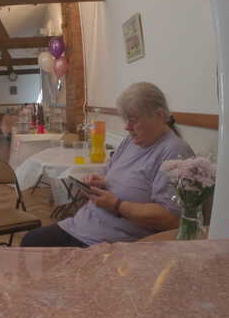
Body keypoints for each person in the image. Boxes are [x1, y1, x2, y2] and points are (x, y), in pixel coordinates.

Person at [21, 82, 194, 247]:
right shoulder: (131, 141)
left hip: (112, 242)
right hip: (83, 226)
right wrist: (100, 181)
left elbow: (171, 218)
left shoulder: (175, 152)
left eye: (133, 120)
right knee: (31, 240)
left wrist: (117, 205)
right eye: (126, 119)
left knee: (35, 249)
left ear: (159, 116)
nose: (127, 127)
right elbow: (112, 176)